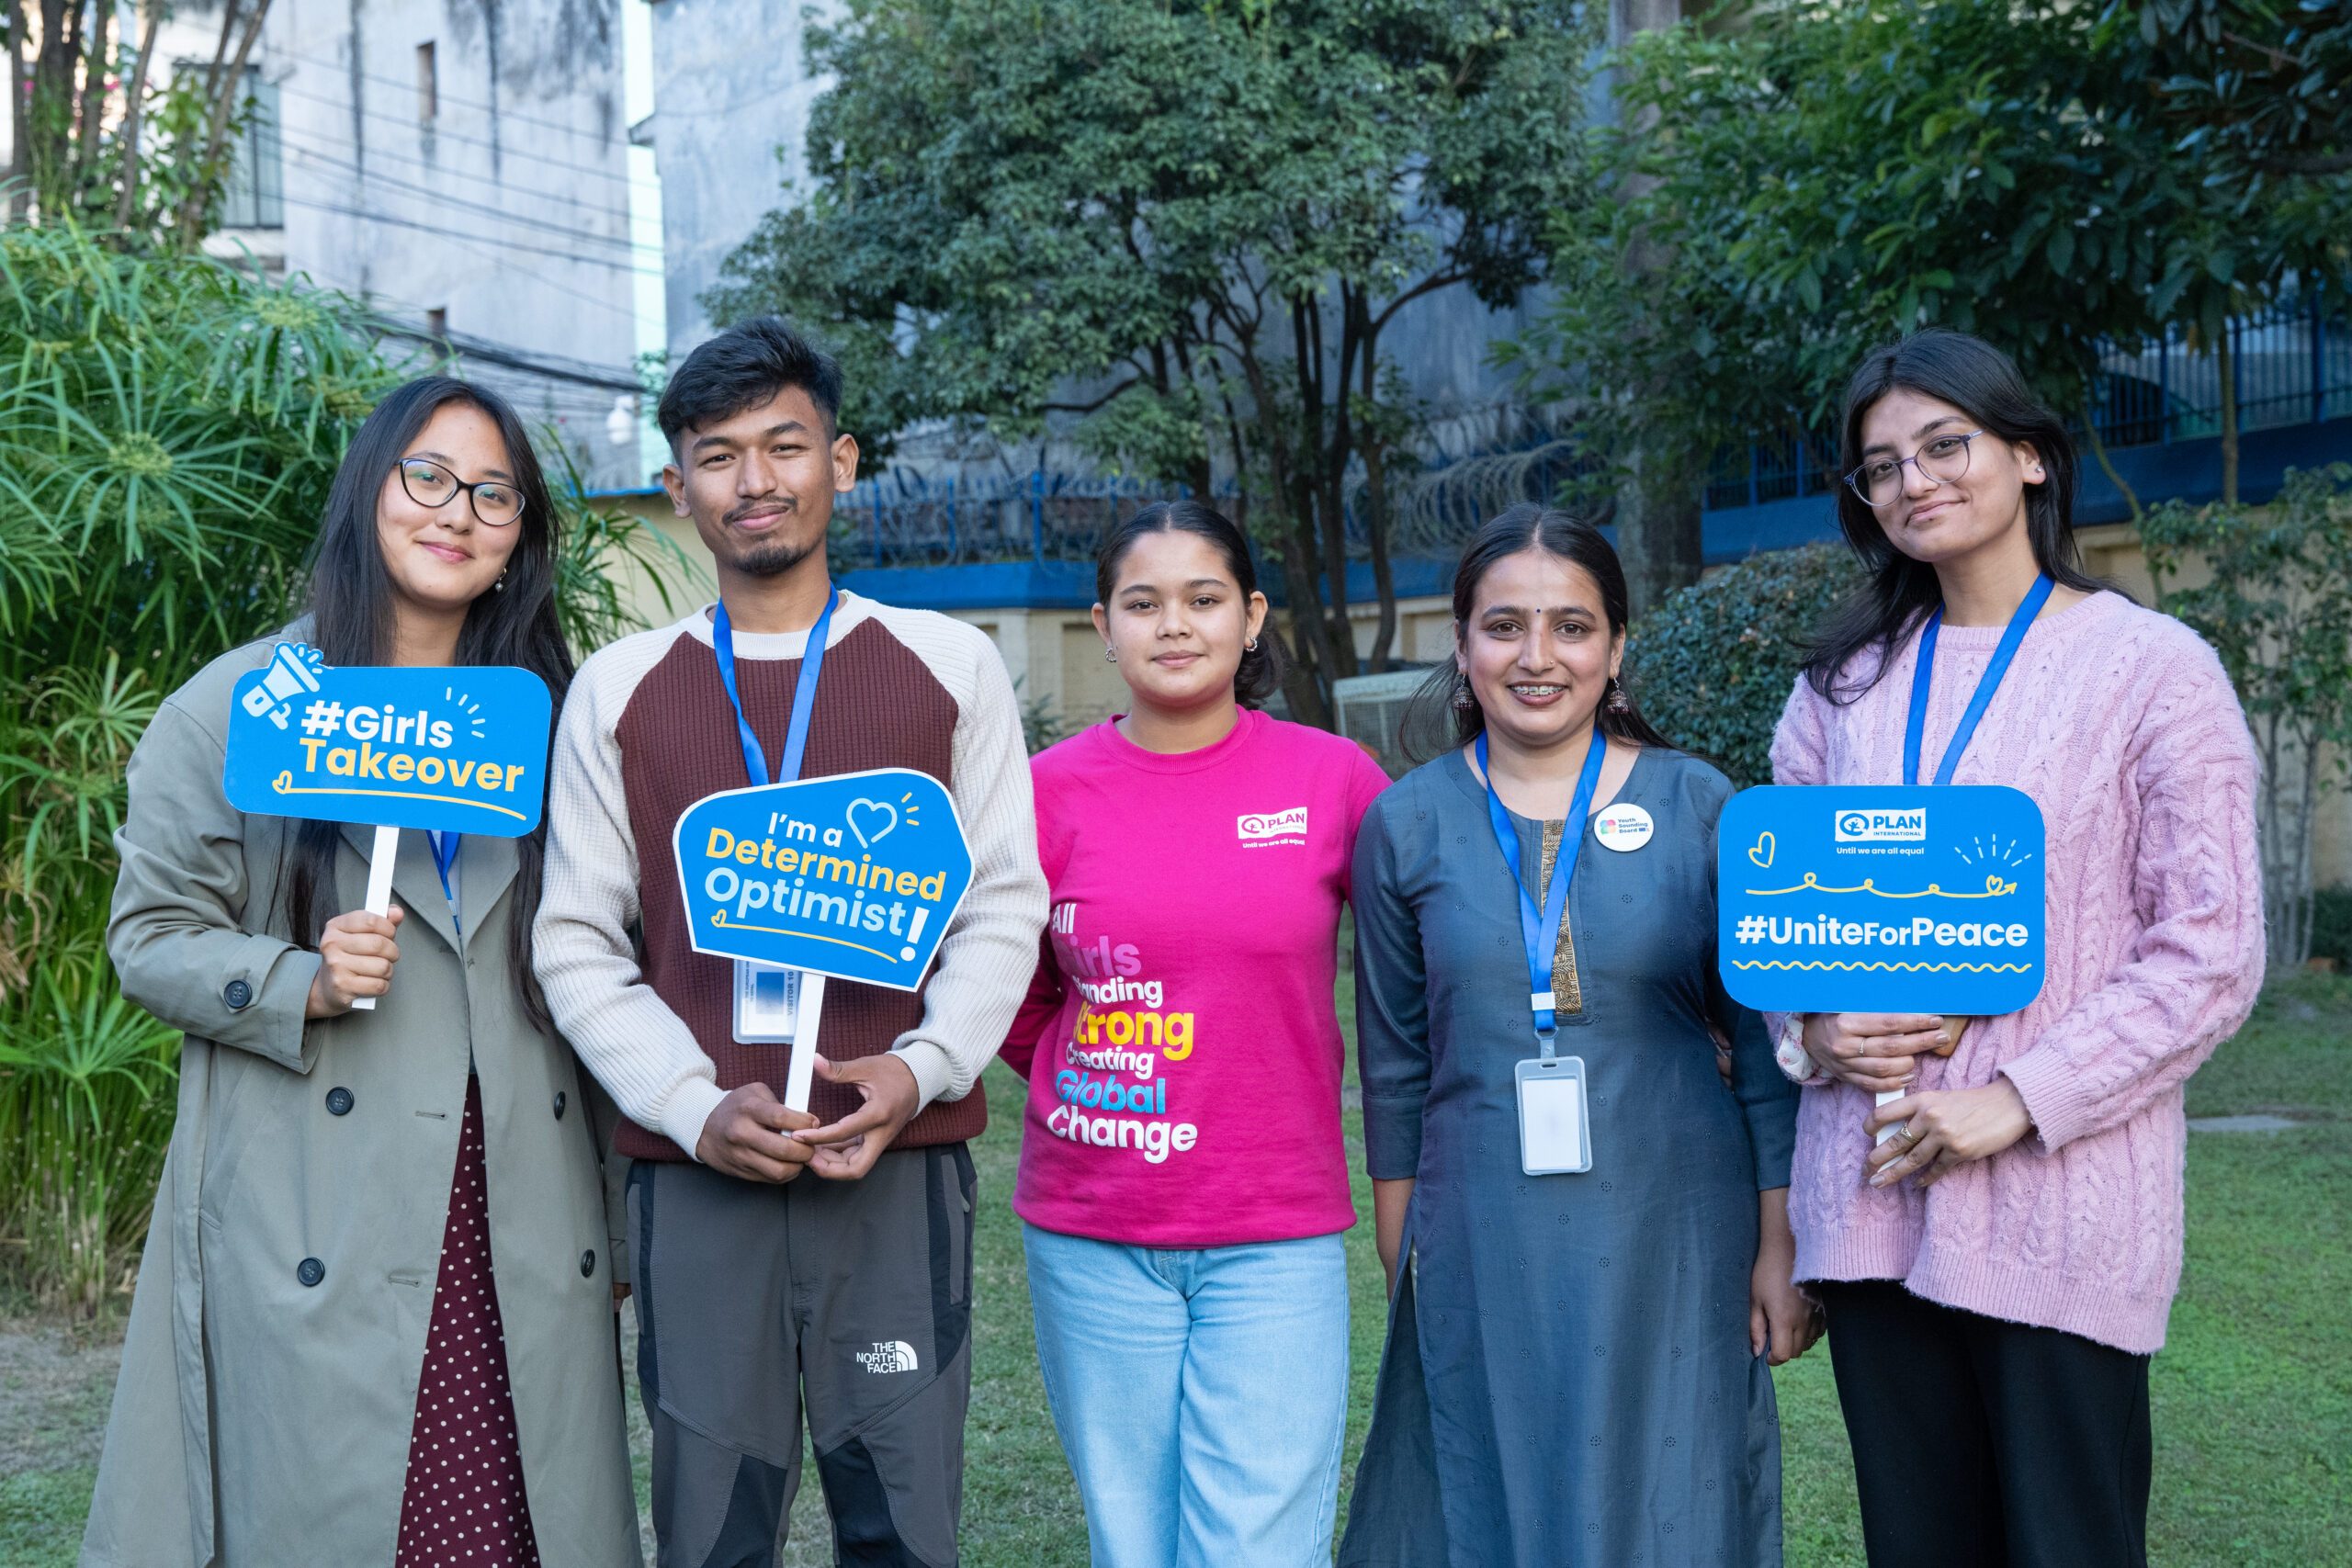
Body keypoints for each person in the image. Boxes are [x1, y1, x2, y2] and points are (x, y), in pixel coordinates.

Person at [82, 378, 637, 1567]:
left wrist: (622, 1225)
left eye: (495, 494)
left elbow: (598, 971)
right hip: (317, 1213)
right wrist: (298, 979)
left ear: (519, 542)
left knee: (504, 1527)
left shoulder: (551, 726)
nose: (458, 511)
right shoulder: (237, 707)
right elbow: (150, 938)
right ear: (368, 490)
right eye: (427, 476)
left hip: (518, 1213)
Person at [534, 316, 1047, 1568]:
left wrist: (920, 1065)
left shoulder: (948, 665)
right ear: (678, 486)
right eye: (718, 454)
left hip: (894, 1161)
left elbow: (1002, 903)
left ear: (844, 460)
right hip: (697, 1167)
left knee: (903, 1520)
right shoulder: (621, 685)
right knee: (712, 1526)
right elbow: (577, 940)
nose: (754, 479)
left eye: (786, 444)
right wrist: (692, 1101)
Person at [1766, 329, 2265, 1568]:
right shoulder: (1838, 688)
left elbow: (2211, 947)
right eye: (1881, 467)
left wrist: (2019, 1098)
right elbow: (1780, 929)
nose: (1914, 481)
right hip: (1873, 1198)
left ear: (2032, 458)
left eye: (1946, 445)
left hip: (2061, 1208)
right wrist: (1814, 1028)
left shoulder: (2154, 670)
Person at [1338, 504, 1813, 1568]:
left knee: (1672, 1486)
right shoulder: (1403, 824)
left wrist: (1779, 1246)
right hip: (1481, 1222)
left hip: (1676, 1218)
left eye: (1572, 626)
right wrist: (1402, 1242)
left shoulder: (1701, 806)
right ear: (1461, 647)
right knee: (1492, 1476)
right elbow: (1396, 1059)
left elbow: (1767, 1059)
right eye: (1504, 626)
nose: (1537, 657)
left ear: (1616, 647)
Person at [1001, 502, 1391, 1568]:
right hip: (1090, 1228)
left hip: (1273, 1227)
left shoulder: (1332, 780)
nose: (1174, 625)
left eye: (1203, 598)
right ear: (1103, 624)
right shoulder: (1041, 794)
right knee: (1133, 1543)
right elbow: (1008, 989)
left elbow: (1420, 961)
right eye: (1144, 602)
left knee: (1256, 1546)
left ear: (1252, 617)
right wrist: (1082, 1067)